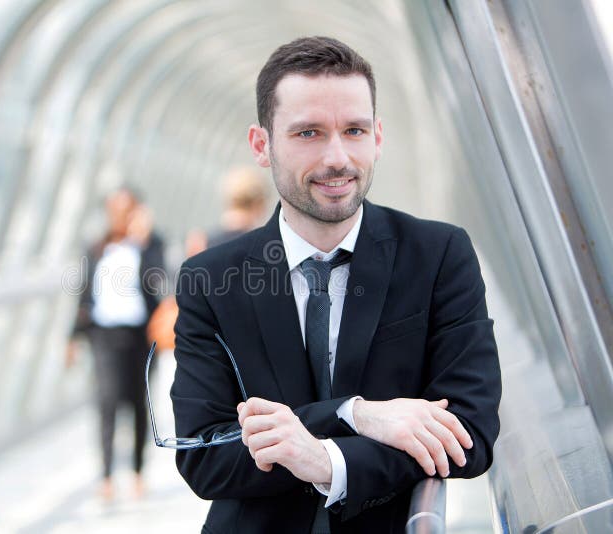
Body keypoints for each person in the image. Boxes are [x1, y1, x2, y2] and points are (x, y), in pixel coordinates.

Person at [170, 36, 501, 533]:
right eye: (308, 133)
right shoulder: (211, 279)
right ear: (262, 145)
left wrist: (329, 463)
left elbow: (469, 435)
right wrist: (355, 415)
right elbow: (204, 454)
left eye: (354, 130)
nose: (337, 158)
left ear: (378, 136)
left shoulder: (437, 256)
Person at [71, 186, 165, 502]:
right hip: (103, 334)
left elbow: (159, 280)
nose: (121, 215)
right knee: (108, 401)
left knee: (138, 404)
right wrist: (72, 336)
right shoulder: (97, 248)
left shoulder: (150, 245)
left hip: (140, 334)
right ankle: (107, 476)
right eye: (116, 208)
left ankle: (138, 471)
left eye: (128, 208)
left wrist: (143, 242)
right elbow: (84, 294)